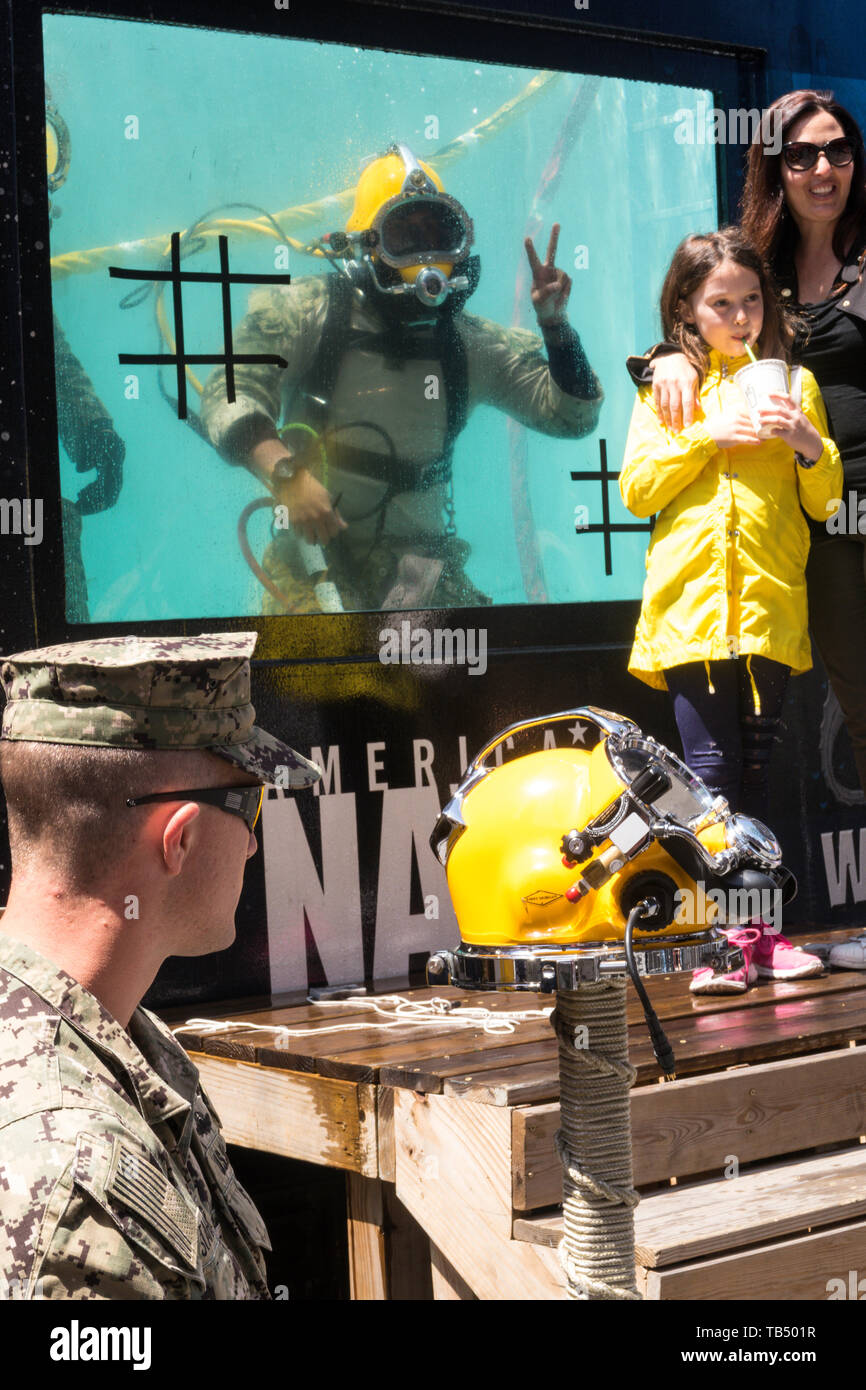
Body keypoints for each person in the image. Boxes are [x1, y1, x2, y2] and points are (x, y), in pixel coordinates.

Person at [0, 632, 321, 1298]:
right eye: (250, 801)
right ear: (181, 838)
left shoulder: (123, 1043)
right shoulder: (78, 1179)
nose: (255, 841)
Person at [201, 142, 602, 613]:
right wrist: (287, 476)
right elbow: (229, 392)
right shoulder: (308, 312)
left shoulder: (470, 344)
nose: (425, 255)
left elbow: (571, 417)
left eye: (438, 233)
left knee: (466, 676)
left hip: (424, 572)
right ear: (366, 244)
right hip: (311, 564)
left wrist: (557, 329)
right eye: (404, 235)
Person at [619, 228, 842, 994]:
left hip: (770, 613)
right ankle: (721, 939)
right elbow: (639, 489)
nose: (741, 316)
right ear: (687, 307)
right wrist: (707, 438)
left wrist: (811, 443)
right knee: (710, 779)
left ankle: (762, 935)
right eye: (722, 303)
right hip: (691, 613)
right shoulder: (670, 387)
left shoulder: (795, 387)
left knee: (764, 773)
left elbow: (826, 498)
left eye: (752, 301)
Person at [631, 90, 866, 797]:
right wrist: (661, 359)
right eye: (801, 154)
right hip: (820, 518)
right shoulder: (760, 269)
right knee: (861, 705)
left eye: (838, 150)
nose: (823, 168)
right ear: (776, 168)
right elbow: (701, 311)